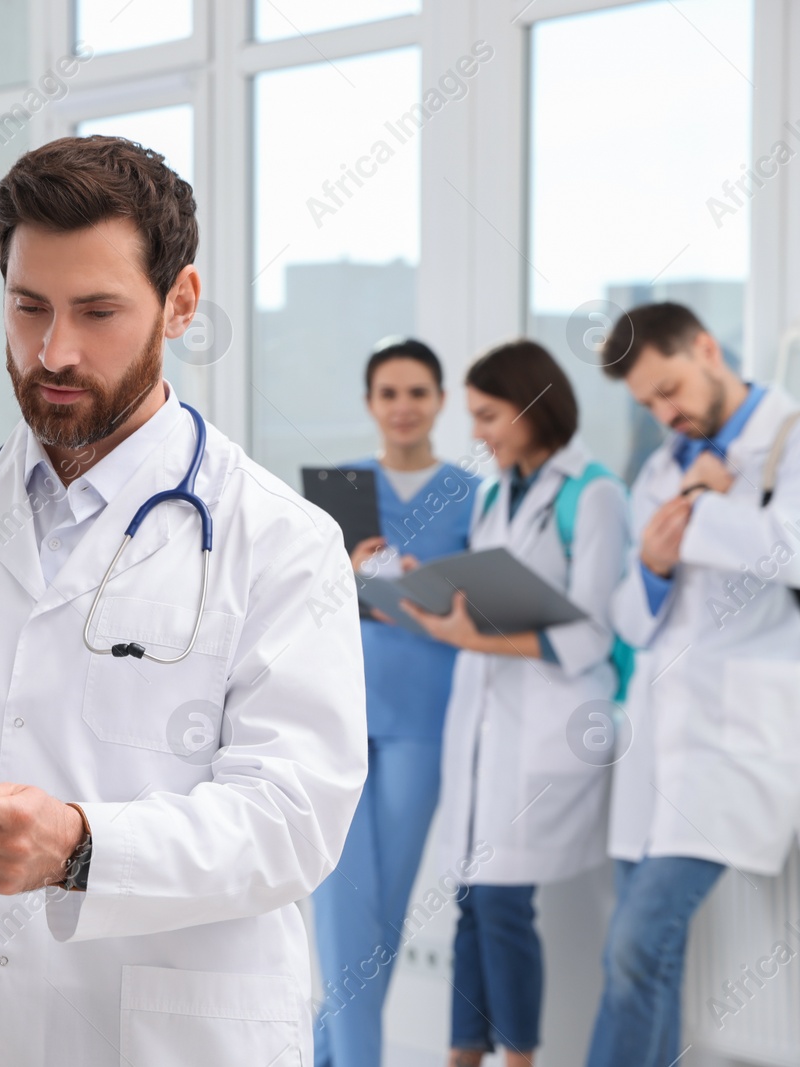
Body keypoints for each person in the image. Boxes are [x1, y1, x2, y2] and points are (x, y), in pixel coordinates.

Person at [0, 134, 366, 1066]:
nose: (53, 350)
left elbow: (294, 817)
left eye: (98, 311)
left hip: (168, 1038)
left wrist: (81, 847)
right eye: (28, 306)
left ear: (181, 304)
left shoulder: (279, 538)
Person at [401, 341, 628, 1067]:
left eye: (489, 415)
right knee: (471, 900)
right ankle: (463, 1055)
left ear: (533, 406)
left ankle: (520, 1059)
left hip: (549, 726)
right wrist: (431, 586)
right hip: (486, 725)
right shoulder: (499, 490)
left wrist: (478, 637)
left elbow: (592, 635)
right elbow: (491, 596)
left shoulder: (593, 494)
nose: (479, 433)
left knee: (499, 905)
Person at [586, 302, 800, 1067]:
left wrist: (697, 508)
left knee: (638, 946)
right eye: (647, 403)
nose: (664, 411)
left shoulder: (789, 435)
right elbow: (631, 619)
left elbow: (793, 547)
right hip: (657, 743)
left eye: (669, 388)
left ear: (707, 349)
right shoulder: (662, 465)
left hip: (734, 742)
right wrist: (653, 562)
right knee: (643, 955)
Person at [312, 340, 479, 1066]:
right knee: (342, 897)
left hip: (426, 715)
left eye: (417, 391)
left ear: (440, 400)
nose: (404, 406)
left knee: (386, 907)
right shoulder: (337, 494)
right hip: (340, 712)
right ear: (371, 403)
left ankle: (330, 1056)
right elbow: (301, 605)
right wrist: (345, 576)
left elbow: (489, 608)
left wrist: (430, 587)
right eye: (389, 393)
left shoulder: (474, 495)